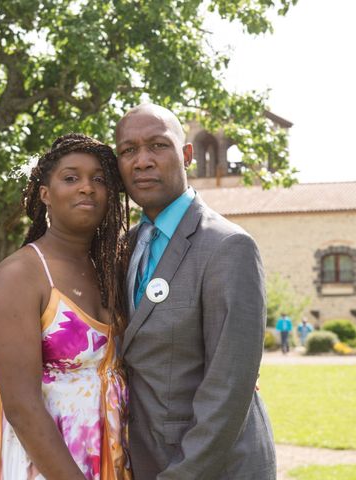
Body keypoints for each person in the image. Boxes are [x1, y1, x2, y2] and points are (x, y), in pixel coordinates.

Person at [116, 104, 275, 480]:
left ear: (186, 155)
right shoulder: (127, 246)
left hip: (214, 467)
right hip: (146, 460)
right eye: (128, 151)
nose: (142, 161)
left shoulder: (228, 247)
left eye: (158, 145)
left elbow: (228, 387)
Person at [0, 134, 132, 480]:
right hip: (42, 464)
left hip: (108, 455)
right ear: (45, 195)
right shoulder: (20, 275)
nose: (87, 187)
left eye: (99, 179)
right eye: (71, 178)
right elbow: (22, 407)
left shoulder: (111, 269)